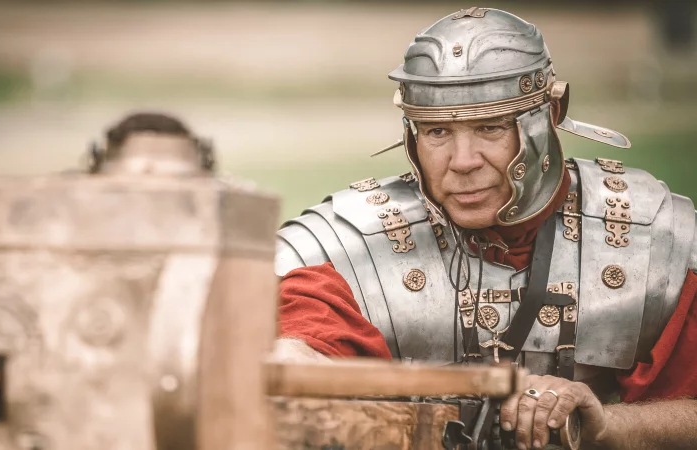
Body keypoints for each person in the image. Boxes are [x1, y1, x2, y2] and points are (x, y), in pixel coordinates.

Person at [274, 8, 697, 450]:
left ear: (550, 115)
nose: (462, 162)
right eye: (437, 132)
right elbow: (291, 354)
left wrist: (607, 425)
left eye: (490, 127)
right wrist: (295, 363)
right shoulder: (346, 245)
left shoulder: (655, 235)